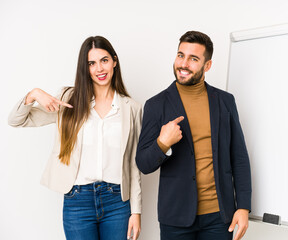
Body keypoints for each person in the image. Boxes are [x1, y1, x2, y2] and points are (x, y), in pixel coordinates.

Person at [8, 36, 142, 240]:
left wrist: (136, 212)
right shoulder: (68, 100)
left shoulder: (131, 108)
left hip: (117, 202)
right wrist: (33, 95)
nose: (99, 69)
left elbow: (134, 164)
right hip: (77, 201)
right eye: (92, 63)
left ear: (114, 61)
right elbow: (16, 120)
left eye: (104, 60)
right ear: (85, 68)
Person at [136, 31, 252, 240]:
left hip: (219, 216)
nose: (184, 63)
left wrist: (243, 207)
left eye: (193, 59)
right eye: (181, 55)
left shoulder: (225, 101)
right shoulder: (156, 105)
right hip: (176, 218)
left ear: (207, 65)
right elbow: (143, 164)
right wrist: (162, 143)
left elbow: (239, 157)